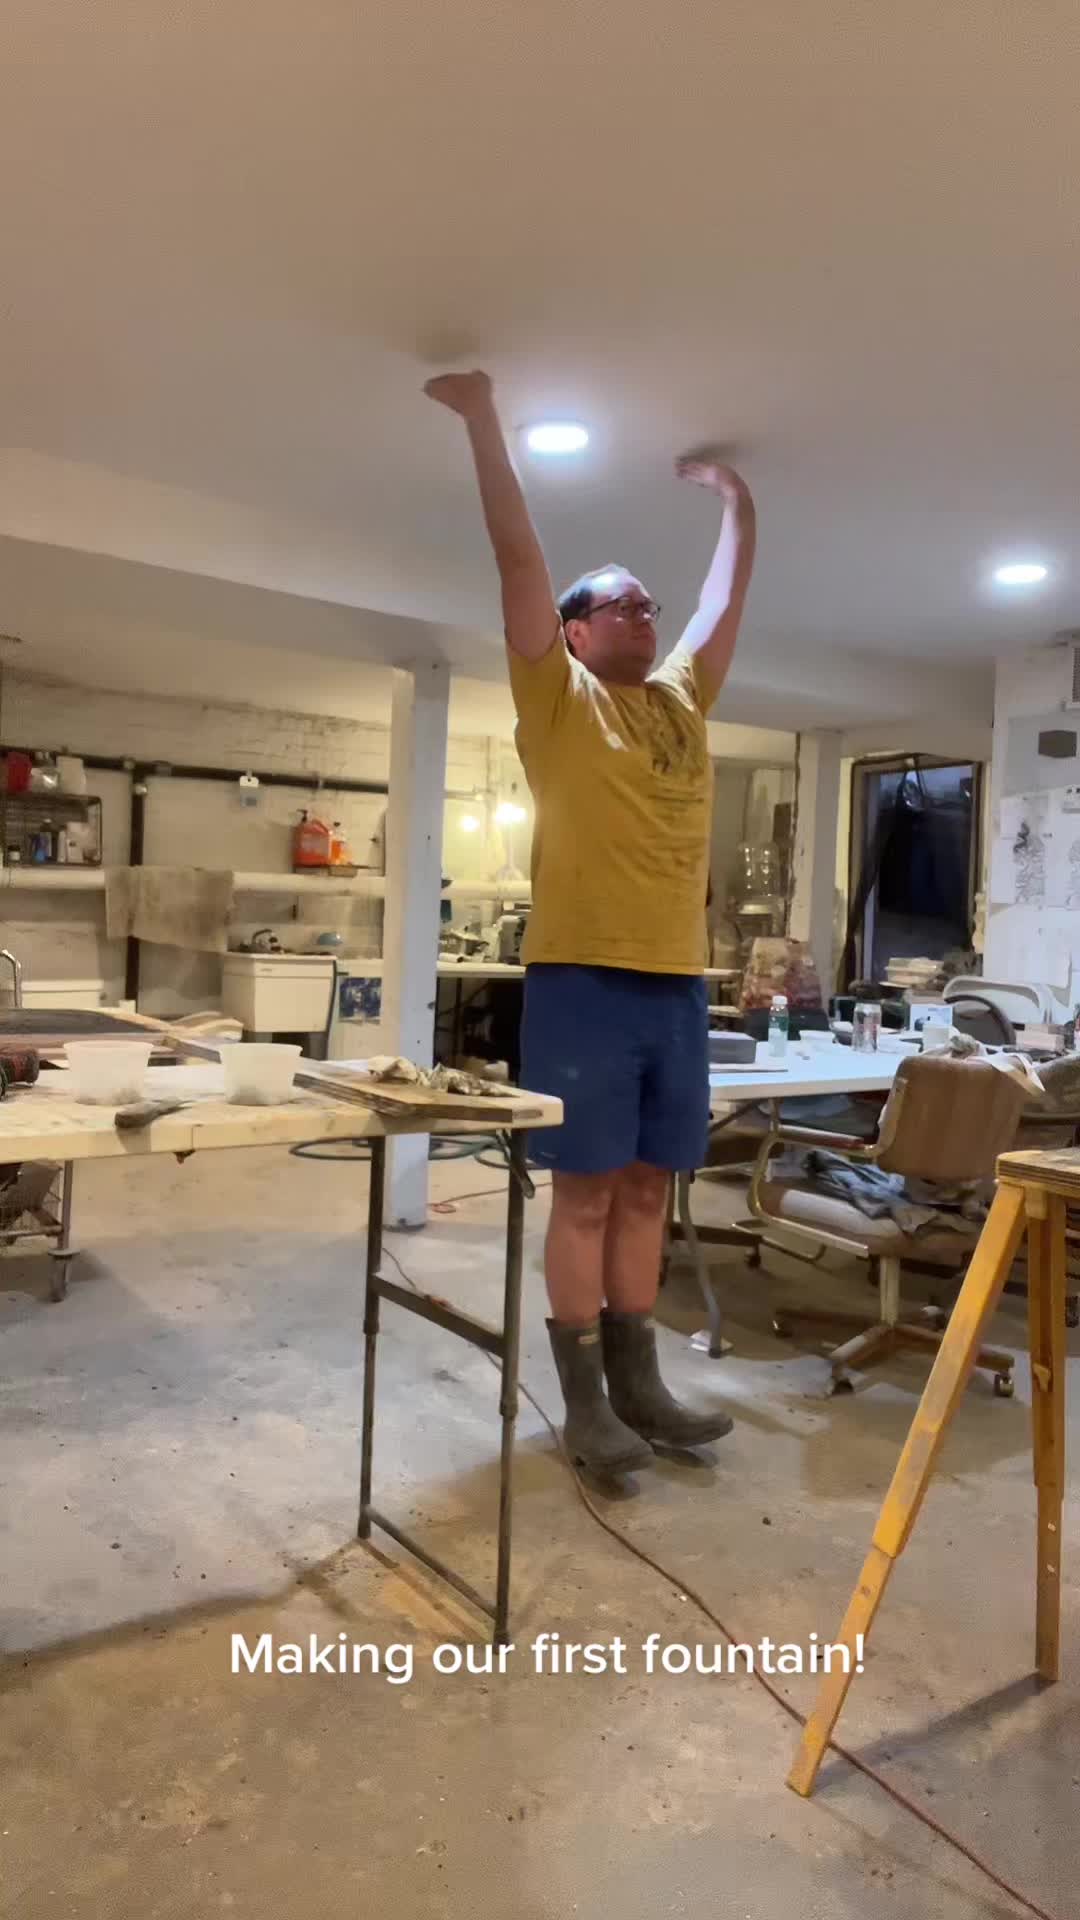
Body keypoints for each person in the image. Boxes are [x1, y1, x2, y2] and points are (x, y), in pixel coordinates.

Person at [425, 369, 756, 1475]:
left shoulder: (682, 702)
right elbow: (519, 560)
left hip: (676, 984)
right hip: (583, 980)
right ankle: (584, 1405)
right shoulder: (559, 700)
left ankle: (639, 1384)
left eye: (649, 604)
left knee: (651, 1185)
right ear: (573, 632)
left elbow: (721, 607)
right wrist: (484, 420)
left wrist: (739, 506)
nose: (645, 615)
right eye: (621, 603)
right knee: (584, 1193)